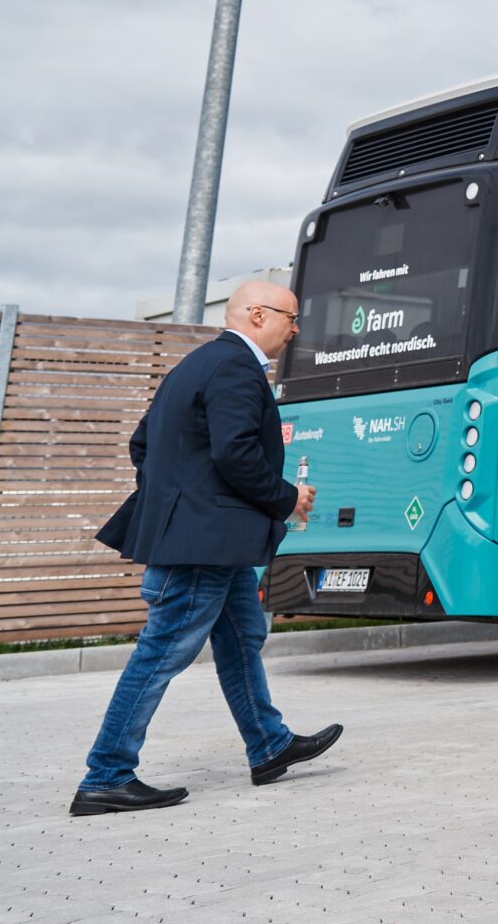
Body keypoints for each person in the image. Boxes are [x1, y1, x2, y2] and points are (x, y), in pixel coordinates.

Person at [70, 280, 343, 816]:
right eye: (291, 317)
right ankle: (105, 775)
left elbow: (142, 444)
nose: (296, 329)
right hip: (204, 544)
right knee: (163, 651)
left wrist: (182, 499)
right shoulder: (237, 369)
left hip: (212, 539)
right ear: (258, 315)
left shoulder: (193, 365)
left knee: (243, 637)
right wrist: (288, 498)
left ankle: (269, 745)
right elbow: (236, 454)